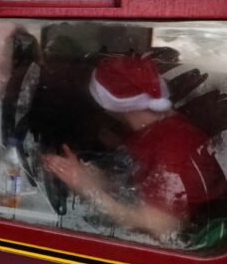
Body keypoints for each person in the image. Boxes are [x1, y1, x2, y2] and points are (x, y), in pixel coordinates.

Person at [43, 55, 227, 237]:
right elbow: (130, 182)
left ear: (109, 105)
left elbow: (161, 228)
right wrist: (86, 174)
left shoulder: (173, 148)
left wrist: (86, 187)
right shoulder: (153, 130)